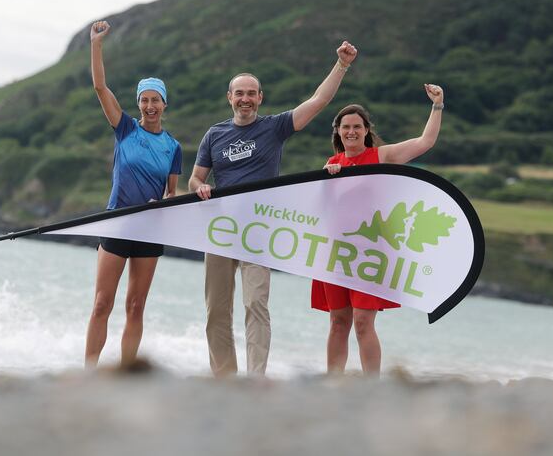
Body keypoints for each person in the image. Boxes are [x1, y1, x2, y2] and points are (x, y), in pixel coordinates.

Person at [189, 41, 359, 377]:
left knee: (255, 304)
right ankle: (224, 378)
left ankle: (255, 378)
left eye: (251, 93)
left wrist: (341, 65)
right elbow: (195, 178)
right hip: (219, 230)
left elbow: (319, 101)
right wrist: (200, 187)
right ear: (230, 98)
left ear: (260, 98)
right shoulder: (214, 134)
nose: (245, 99)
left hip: (259, 232)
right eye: (239, 93)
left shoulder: (274, 128)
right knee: (216, 311)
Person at [311, 84, 445, 377]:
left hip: (370, 251)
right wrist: (326, 180)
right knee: (337, 321)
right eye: (346, 127)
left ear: (366, 130)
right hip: (335, 251)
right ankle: (334, 382)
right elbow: (320, 209)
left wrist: (437, 106)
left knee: (362, 321)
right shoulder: (331, 164)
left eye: (357, 127)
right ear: (338, 132)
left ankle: (371, 385)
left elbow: (426, 142)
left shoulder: (380, 156)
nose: (351, 132)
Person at [85, 20, 182, 368]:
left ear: (164, 104)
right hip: (116, 225)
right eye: (144, 100)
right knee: (101, 303)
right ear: (138, 103)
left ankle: (126, 373)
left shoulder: (173, 147)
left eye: (156, 100)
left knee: (136, 306)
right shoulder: (125, 128)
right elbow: (100, 87)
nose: (150, 105)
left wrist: (170, 200)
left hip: (150, 231)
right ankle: (90, 370)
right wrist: (96, 44)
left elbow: (172, 193)